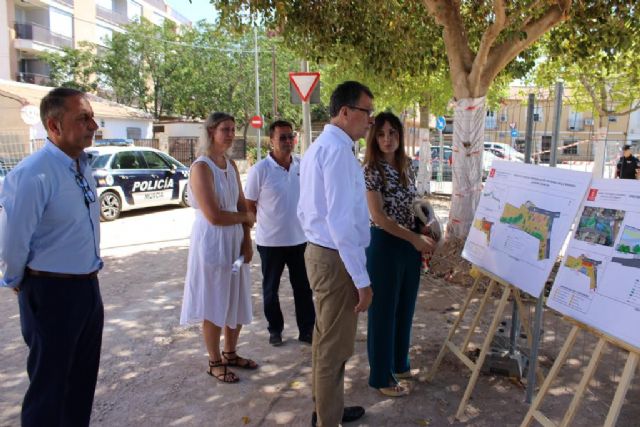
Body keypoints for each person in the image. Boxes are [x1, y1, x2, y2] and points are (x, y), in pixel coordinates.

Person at [0, 87, 103, 426]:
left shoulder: (81, 165)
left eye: (91, 117)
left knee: (80, 386)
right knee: (48, 391)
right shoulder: (34, 173)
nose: (93, 125)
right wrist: (17, 281)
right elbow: (13, 240)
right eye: (83, 118)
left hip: (88, 290)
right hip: (51, 293)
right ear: (54, 126)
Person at [298, 81, 374, 427]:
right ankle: (328, 419)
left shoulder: (322, 147)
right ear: (345, 112)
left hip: (322, 252)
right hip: (335, 257)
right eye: (366, 112)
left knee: (324, 341)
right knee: (334, 349)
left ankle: (327, 407)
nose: (369, 121)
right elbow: (342, 223)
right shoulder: (338, 152)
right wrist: (362, 281)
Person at [180, 112, 258, 383]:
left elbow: (239, 203)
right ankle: (214, 361)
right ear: (211, 131)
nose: (231, 134)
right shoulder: (201, 167)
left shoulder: (230, 164)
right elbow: (213, 215)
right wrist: (244, 218)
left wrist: (247, 240)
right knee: (214, 299)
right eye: (225, 129)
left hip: (234, 240)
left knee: (235, 297)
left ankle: (230, 353)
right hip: (212, 242)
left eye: (233, 129)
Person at [363, 112, 436, 397]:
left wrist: (428, 226)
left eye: (392, 133)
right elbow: (378, 217)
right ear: (374, 138)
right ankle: (381, 376)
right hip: (384, 244)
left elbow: (414, 201)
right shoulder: (371, 169)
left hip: (410, 242)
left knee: (405, 306)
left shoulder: (408, 165)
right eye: (381, 134)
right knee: (382, 312)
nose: (387, 139)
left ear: (400, 136)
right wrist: (414, 239)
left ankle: (399, 363)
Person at [244, 120, 315, 347]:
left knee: (303, 289)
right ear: (271, 140)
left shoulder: (303, 166)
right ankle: (275, 330)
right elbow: (249, 205)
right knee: (270, 289)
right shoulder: (260, 171)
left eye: (290, 137)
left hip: (300, 240)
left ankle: (307, 330)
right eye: (282, 137)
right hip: (270, 242)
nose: (287, 141)